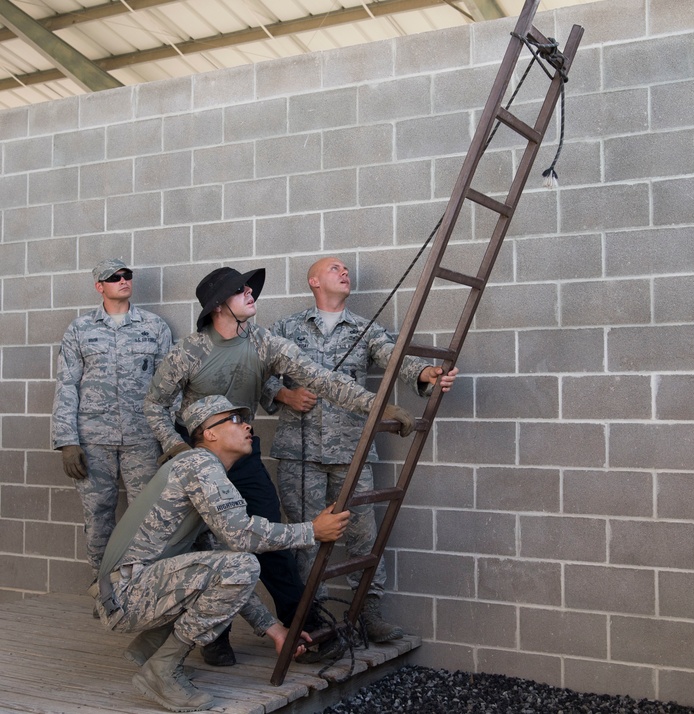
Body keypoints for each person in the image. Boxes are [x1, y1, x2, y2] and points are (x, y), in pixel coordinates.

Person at [143, 265, 414, 666]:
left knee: (269, 540)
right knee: (206, 545)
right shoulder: (189, 352)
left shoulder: (264, 342)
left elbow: (321, 379)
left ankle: (299, 625)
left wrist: (378, 408)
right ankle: (213, 634)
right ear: (220, 306)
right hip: (198, 461)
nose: (252, 293)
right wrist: (175, 446)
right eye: (241, 290)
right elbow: (153, 404)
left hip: (243, 456)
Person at [95, 395, 352, 712]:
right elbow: (242, 537)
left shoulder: (196, 469)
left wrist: (274, 630)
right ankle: (162, 670)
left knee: (229, 567)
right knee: (242, 565)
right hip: (128, 594)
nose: (247, 426)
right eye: (233, 420)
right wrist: (311, 530)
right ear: (209, 434)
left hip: (124, 593)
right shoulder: (200, 465)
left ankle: (153, 650)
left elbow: (219, 567)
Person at [265, 256, 457, 642]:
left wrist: (426, 373)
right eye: (334, 269)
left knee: (362, 539)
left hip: (351, 452)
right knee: (306, 538)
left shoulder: (366, 329)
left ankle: (367, 612)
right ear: (314, 281)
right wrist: (283, 393)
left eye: (346, 268)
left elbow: (395, 358)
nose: (345, 272)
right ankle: (310, 618)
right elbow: (253, 374)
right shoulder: (285, 328)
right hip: (299, 455)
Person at [51, 258, 173, 583]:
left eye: (126, 275)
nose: (122, 280)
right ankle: (103, 589)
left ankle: (140, 590)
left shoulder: (155, 327)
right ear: (99, 286)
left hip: (143, 440)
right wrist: (67, 441)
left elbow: (168, 387)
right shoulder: (79, 329)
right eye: (114, 277)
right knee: (97, 517)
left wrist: (170, 439)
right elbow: (66, 385)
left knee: (146, 517)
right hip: (92, 442)